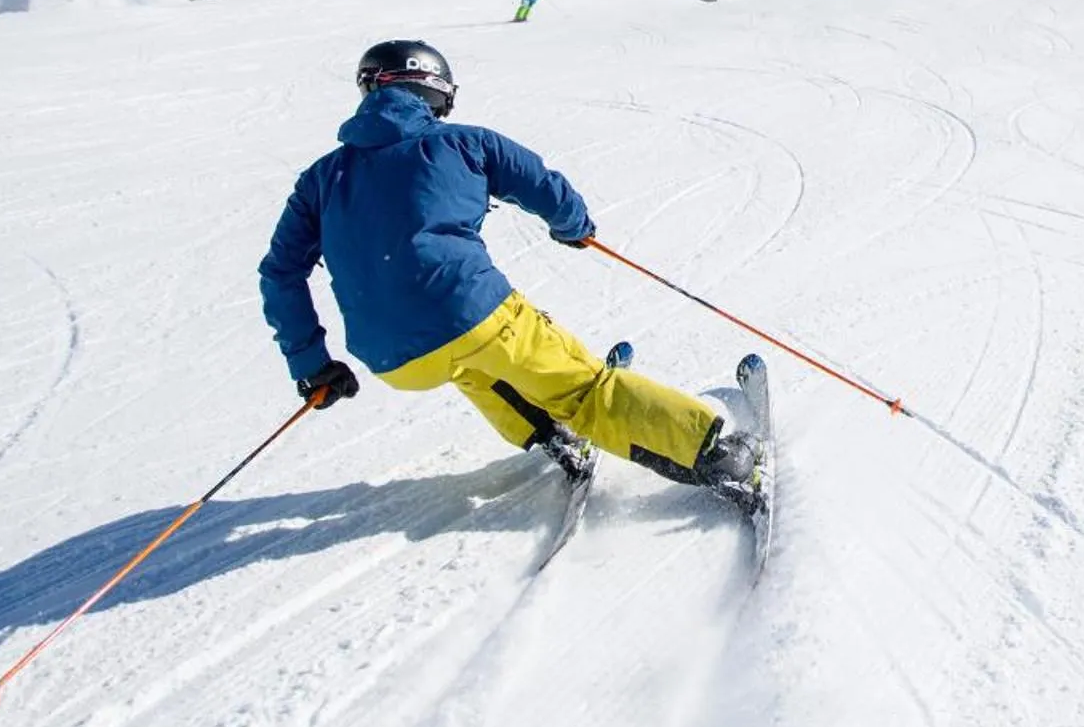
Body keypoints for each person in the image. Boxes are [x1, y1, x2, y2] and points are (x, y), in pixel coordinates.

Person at [258, 39, 754, 488]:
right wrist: (573, 226)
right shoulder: (464, 142)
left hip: (394, 360)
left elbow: (281, 273)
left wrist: (312, 365)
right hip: (473, 314)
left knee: (475, 368)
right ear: (438, 94)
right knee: (581, 388)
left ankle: (550, 435)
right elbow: (540, 183)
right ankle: (714, 456)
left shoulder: (320, 178)